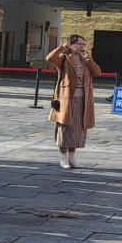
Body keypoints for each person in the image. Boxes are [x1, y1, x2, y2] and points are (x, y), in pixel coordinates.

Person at [45, 34, 102, 169]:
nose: (82, 46)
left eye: (83, 44)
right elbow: (50, 58)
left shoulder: (85, 58)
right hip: (66, 99)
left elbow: (97, 73)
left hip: (83, 100)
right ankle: (63, 158)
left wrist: (90, 60)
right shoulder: (64, 57)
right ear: (71, 45)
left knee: (78, 129)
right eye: (79, 44)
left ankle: (72, 157)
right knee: (65, 128)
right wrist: (63, 47)